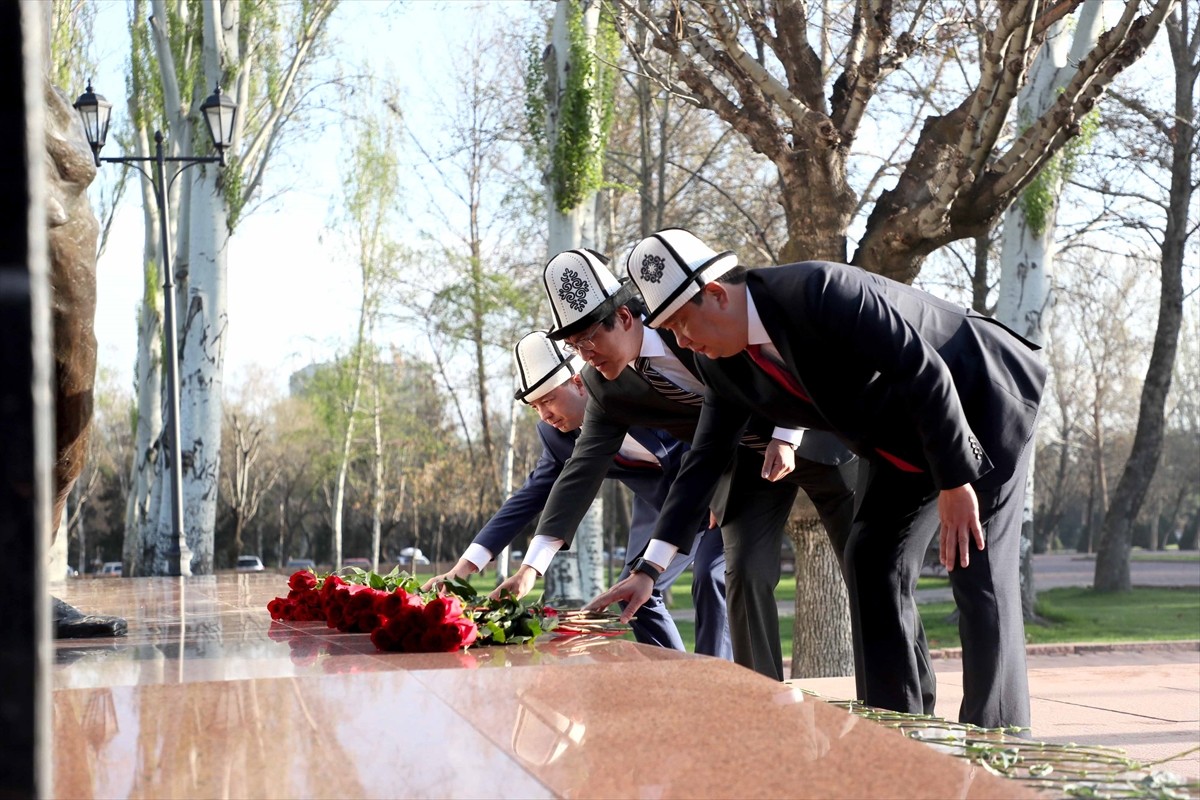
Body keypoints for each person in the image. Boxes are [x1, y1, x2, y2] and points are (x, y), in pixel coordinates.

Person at [596, 228, 1045, 730]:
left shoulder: (822, 291)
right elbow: (703, 460)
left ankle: (1001, 739)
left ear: (717, 295)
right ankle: (899, 728)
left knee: (976, 570)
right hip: (900, 439)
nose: (683, 343)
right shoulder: (721, 364)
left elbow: (923, 370)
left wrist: (956, 482)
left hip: (979, 399)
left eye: (681, 324)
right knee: (870, 556)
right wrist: (648, 570)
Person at [496, 248, 857, 681]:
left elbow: (769, 355)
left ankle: (903, 701)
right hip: (741, 462)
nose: (585, 354)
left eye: (589, 338)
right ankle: (762, 699)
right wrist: (530, 568)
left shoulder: (691, 327)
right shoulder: (605, 387)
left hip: (814, 434)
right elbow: (581, 469)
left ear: (626, 318)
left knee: (867, 568)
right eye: (574, 346)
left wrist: (785, 432)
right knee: (742, 574)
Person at [424, 330, 731, 658]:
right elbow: (528, 498)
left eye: (548, 399)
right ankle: (682, 682)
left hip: (719, 485)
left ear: (578, 382)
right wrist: (466, 567)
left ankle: (723, 683)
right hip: (661, 509)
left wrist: (718, 484)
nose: (544, 415)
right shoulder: (556, 436)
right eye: (535, 407)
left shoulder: (636, 389)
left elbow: (707, 426)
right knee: (631, 595)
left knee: (709, 578)